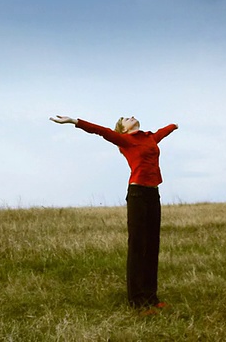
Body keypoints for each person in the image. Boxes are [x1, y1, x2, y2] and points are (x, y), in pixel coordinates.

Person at [49, 115, 178, 314]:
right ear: (123, 129)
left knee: (152, 246)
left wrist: (174, 125)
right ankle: (137, 301)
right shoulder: (125, 140)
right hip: (138, 195)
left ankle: (152, 297)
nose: (131, 117)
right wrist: (74, 121)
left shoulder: (149, 138)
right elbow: (101, 130)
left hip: (154, 194)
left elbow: (163, 132)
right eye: (126, 118)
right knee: (138, 247)